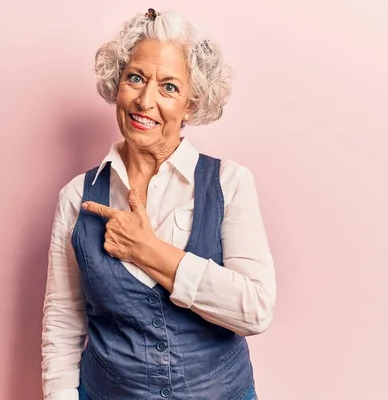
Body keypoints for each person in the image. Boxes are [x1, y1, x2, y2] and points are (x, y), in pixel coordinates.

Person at [41, 8, 276, 400]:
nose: (145, 100)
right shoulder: (76, 198)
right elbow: (63, 324)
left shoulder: (230, 184)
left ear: (191, 104)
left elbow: (255, 309)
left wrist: (149, 252)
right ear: (117, 85)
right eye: (135, 78)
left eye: (169, 87)